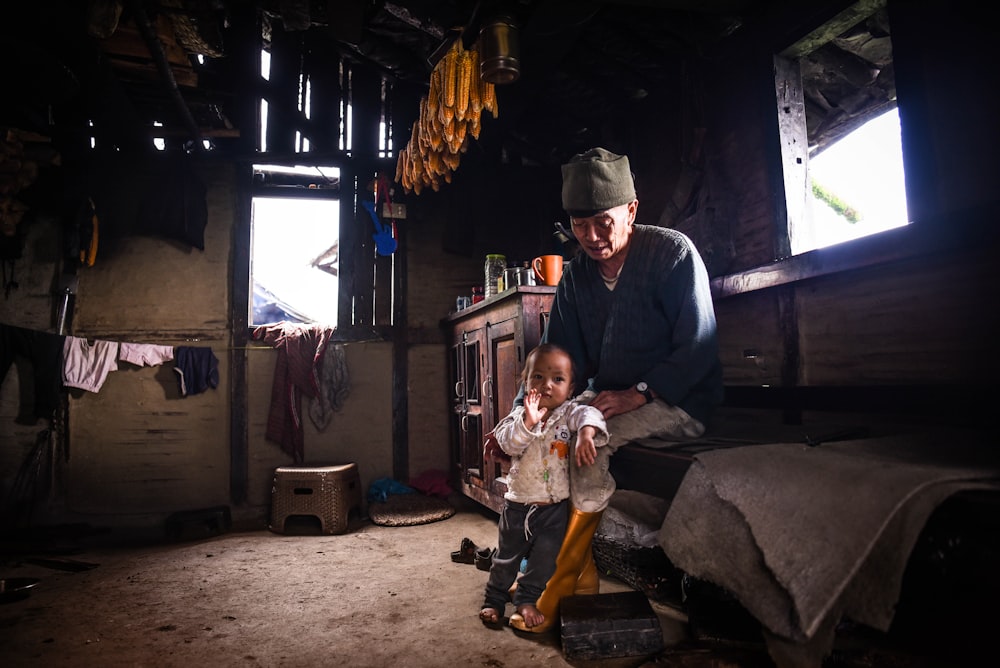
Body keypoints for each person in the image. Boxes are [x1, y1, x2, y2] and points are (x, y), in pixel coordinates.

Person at [509, 146, 724, 633]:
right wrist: (532, 409)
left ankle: (564, 580)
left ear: (631, 210)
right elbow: (561, 356)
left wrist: (640, 392)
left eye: (602, 222)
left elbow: (698, 349)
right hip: (609, 401)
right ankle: (571, 571)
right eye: (579, 225)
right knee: (548, 438)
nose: (591, 237)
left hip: (677, 400)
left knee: (589, 440)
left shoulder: (672, 253)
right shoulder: (575, 276)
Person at [479, 343, 609, 630]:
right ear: (525, 383)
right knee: (506, 559)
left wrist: (587, 434)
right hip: (518, 505)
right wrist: (528, 421)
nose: (547, 385)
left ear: (571, 387)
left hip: (554, 509)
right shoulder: (517, 417)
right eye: (538, 377)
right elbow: (507, 442)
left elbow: (590, 415)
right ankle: (494, 600)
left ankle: (527, 600)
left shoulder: (569, 412)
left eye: (557, 379)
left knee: (545, 561)